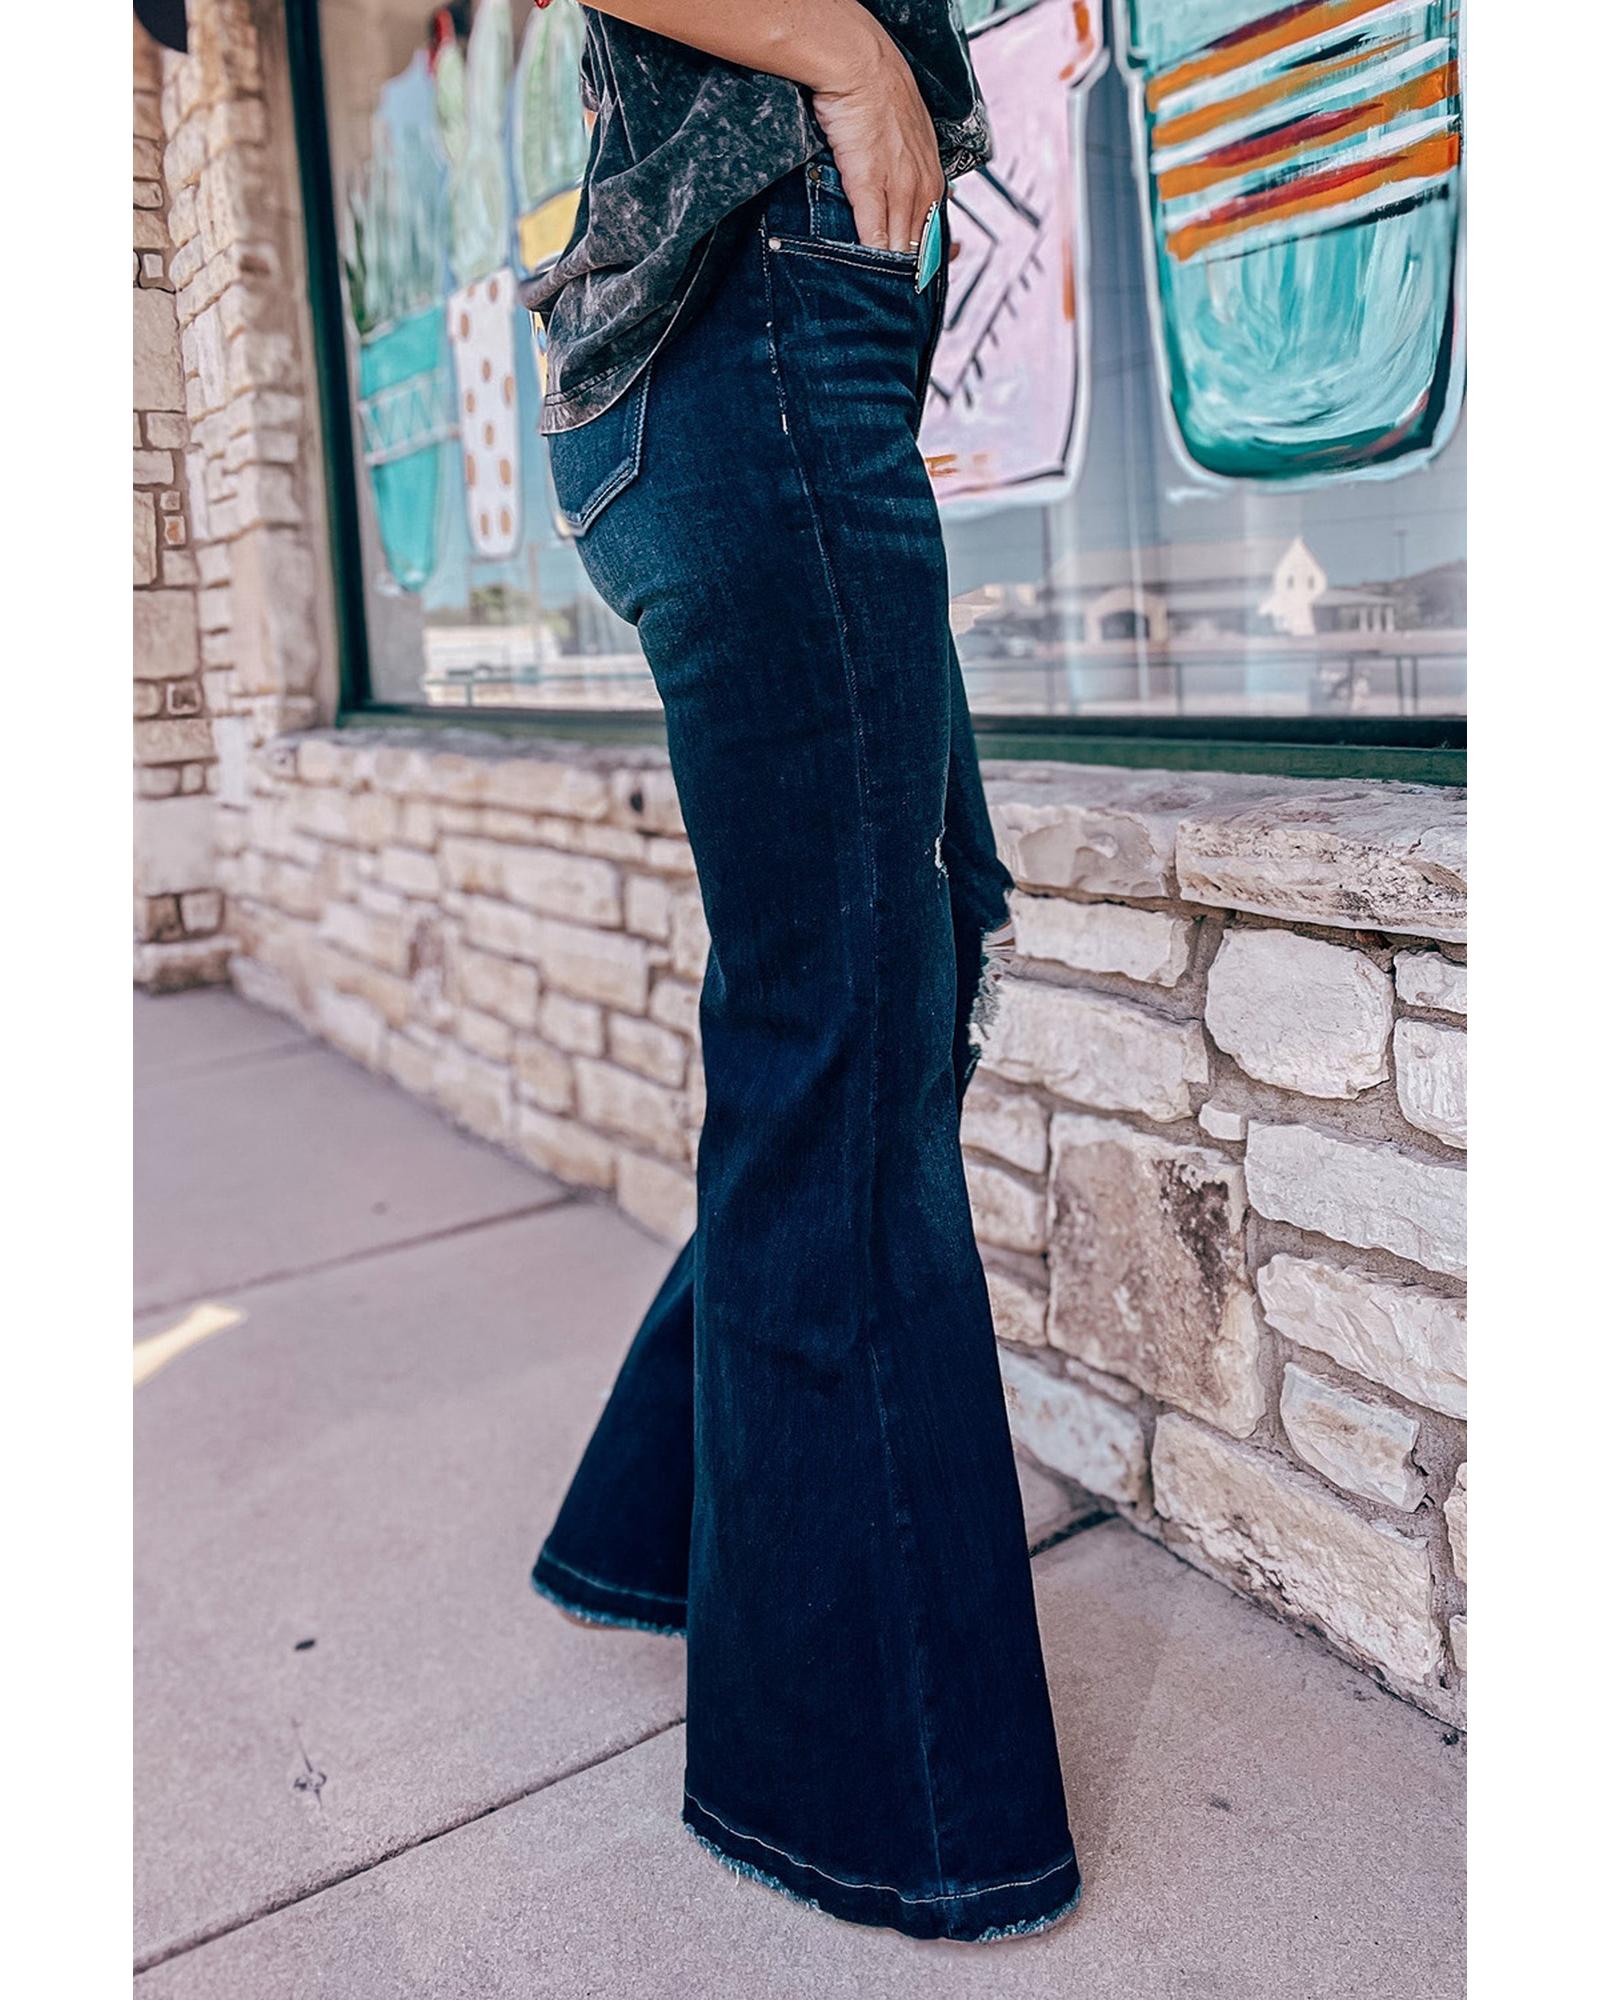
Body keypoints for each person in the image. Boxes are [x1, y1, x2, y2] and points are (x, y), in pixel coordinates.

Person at [522, 0, 1078, 1943]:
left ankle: (648, 1524)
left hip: (747, 338)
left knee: (910, 950)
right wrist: (845, 51)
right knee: (840, 1027)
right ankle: (862, 1792)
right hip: (743, 324)